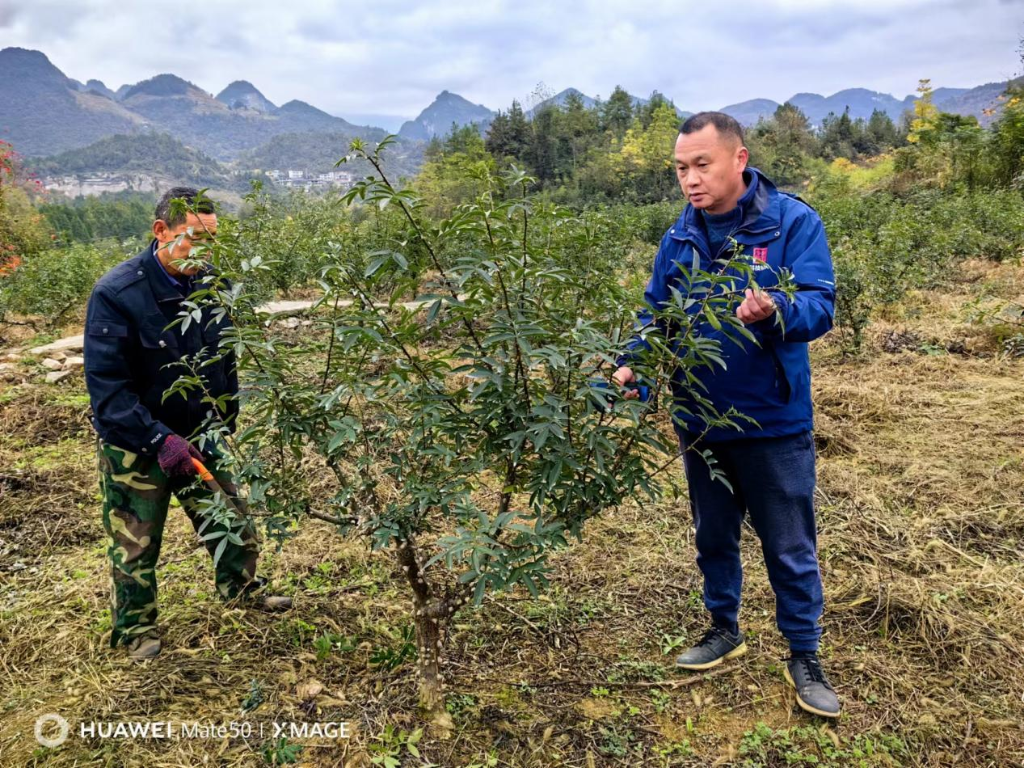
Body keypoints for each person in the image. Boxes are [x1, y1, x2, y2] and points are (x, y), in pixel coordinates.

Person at [612, 113, 840, 718]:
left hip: (772, 421)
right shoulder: (679, 238)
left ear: (738, 160)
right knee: (713, 535)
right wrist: (634, 362)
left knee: (789, 545)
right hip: (700, 421)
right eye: (682, 168)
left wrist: (774, 310)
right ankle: (723, 627)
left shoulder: (792, 222)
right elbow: (654, 315)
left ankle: (805, 653)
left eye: (702, 165)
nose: (690, 179)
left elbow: (820, 306)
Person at [84, 187, 291, 661]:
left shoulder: (210, 282)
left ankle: (242, 593)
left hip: (198, 433)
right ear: (161, 232)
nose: (205, 251)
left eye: (212, 239)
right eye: (194, 238)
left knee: (230, 519)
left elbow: (224, 357)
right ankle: (136, 631)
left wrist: (225, 415)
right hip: (137, 444)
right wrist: (158, 438)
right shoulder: (117, 293)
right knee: (135, 543)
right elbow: (109, 391)